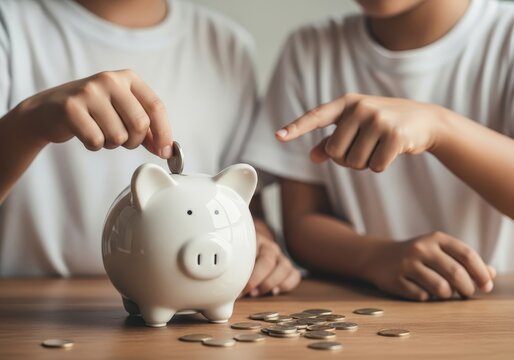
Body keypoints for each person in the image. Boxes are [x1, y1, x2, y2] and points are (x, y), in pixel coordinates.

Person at [0, 0, 300, 296]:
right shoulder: (10, 25)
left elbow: (245, 203)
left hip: (187, 302)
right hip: (27, 306)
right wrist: (29, 123)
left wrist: (258, 242)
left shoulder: (228, 45)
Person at [242, 0, 514, 301]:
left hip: (492, 308)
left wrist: (438, 127)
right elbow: (303, 220)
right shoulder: (309, 50)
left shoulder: (506, 36)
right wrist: (379, 257)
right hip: (360, 307)